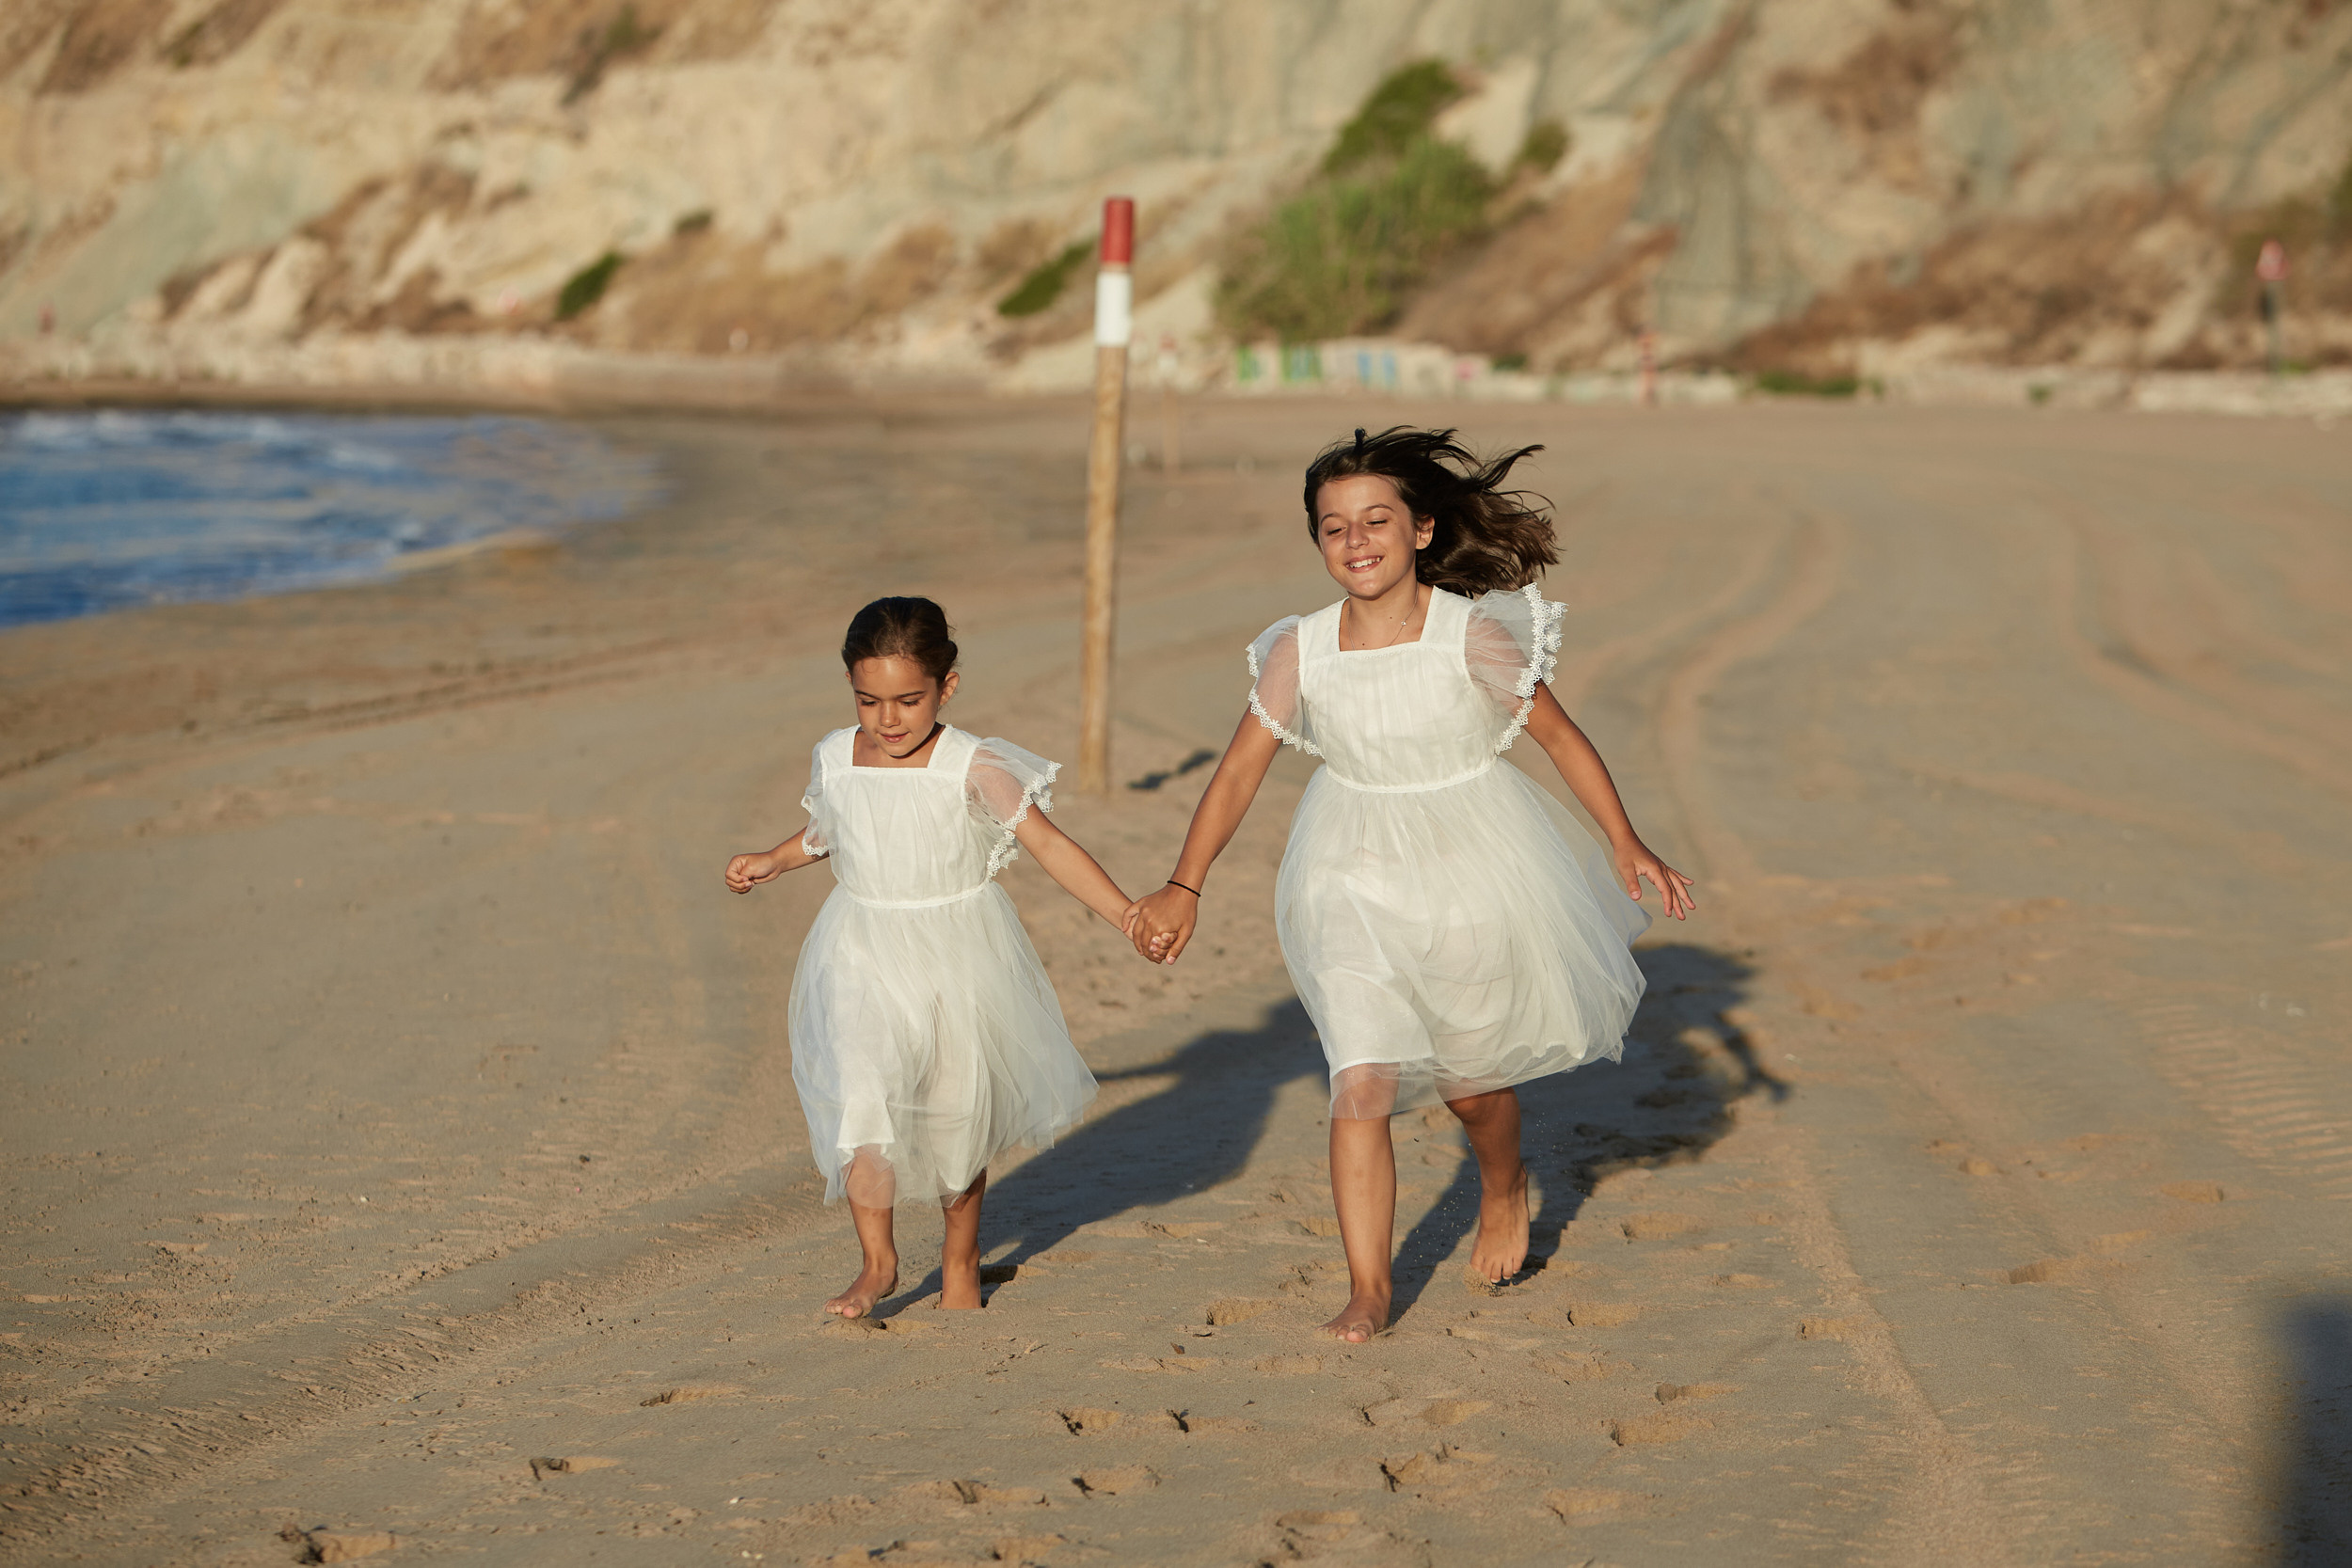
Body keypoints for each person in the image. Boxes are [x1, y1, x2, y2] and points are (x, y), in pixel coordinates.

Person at [1127, 428, 1695, 1343]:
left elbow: (1558, 736)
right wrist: (1182, 883)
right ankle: (1369, 1287)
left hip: (1469, 864)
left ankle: (1503, 1182)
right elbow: (1235, 774)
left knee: (1472, 1083)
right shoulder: (1299, 649)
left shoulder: (1465, 633)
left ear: (1422, 529)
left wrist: (1624, 839)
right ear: (1316, 542)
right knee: (1360, 1079)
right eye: (1333, 527)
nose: (1355, 541)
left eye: (1376, 520)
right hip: (1344, 869)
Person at [725, 596, 1138, 1318]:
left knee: (956, 1112)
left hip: (954, 954)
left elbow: (1049, 845)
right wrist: (774, 858)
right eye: (868, 700)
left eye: (908, 699)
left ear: (946, 687)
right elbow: (829, 828)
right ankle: (878, 1260)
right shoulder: (834, 753)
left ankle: (959, 1256)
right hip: (860, 949)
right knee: (862, 1099)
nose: (887, 718)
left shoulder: (971, 766)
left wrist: (1126, 913)